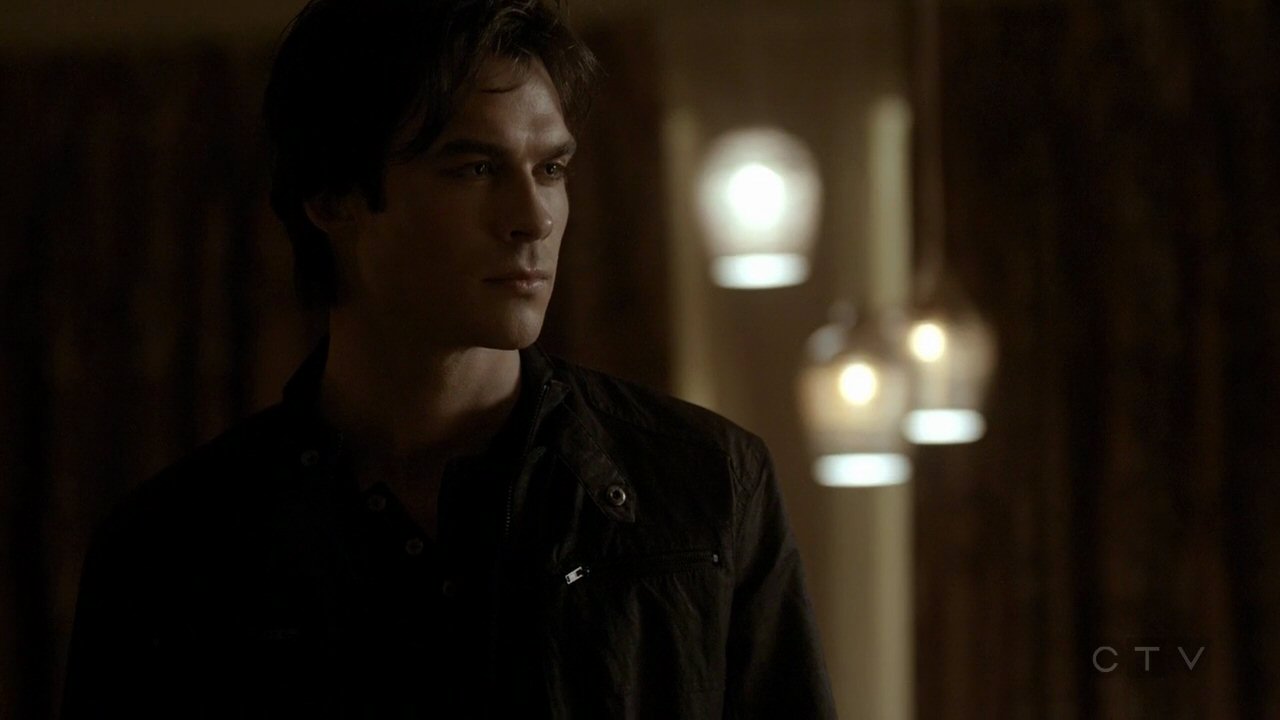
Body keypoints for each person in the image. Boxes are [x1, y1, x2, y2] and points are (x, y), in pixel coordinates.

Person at [62, 0, 836, 717]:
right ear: (333, 198)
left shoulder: (705, 483)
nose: (533, 218)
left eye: (551, 169)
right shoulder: (173, 548)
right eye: (475, 169)